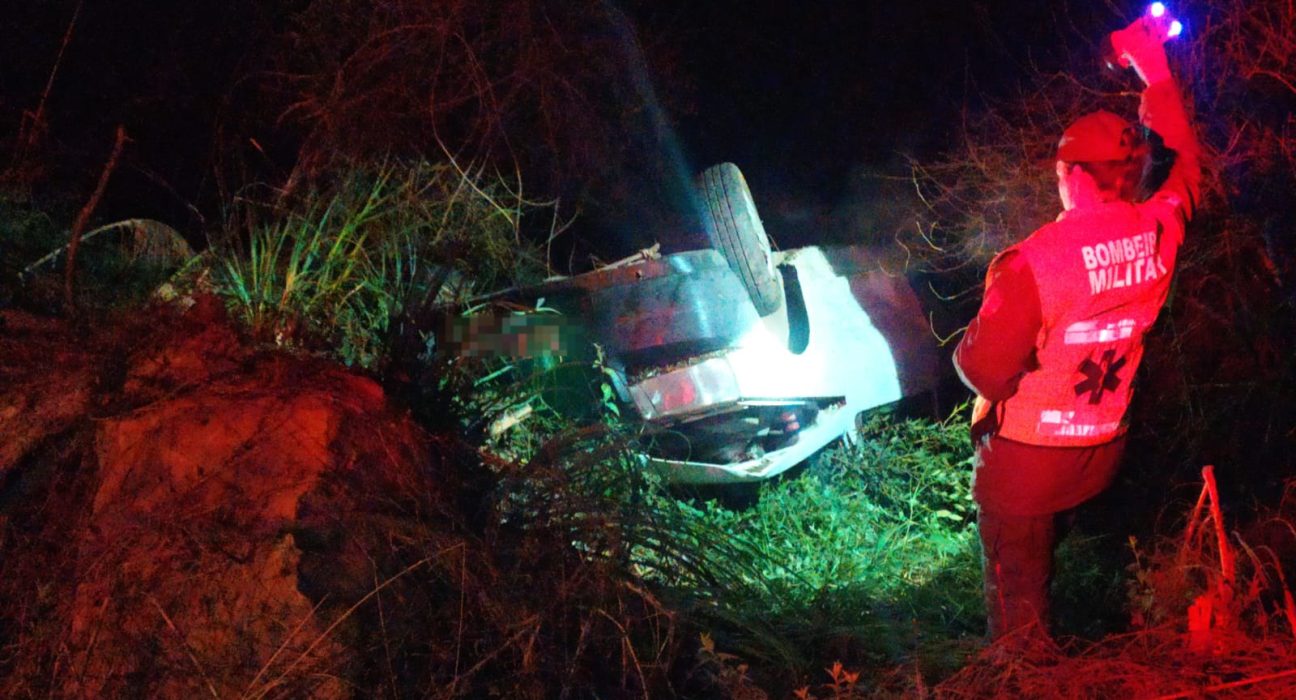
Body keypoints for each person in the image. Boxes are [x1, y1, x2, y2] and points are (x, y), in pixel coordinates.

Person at [952, 15, 1200, 640]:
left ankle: (1022, 670)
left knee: (1017, 603)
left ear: (1073, 175)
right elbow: (1186, 164)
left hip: (1030, 464)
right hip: (1101, 451)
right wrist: (1156, 69)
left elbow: (982, 370)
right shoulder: (1160, 229)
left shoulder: (1034, 260)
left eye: (1060, 171)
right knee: (1047, 536)